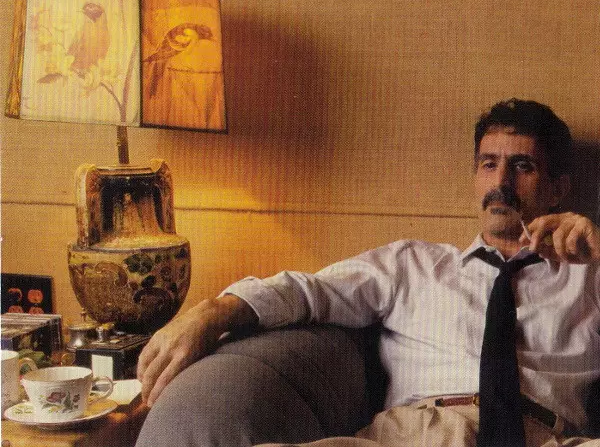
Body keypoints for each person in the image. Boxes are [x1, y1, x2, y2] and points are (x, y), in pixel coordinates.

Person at [135, 99, 600, 447]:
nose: (500, 183)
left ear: (558, 188)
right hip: (421, 433)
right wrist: (213, 312)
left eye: (522, 166)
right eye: (488, 163)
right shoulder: (412, 265)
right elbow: (310, 291)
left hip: (545, 436)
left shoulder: (590, 278)